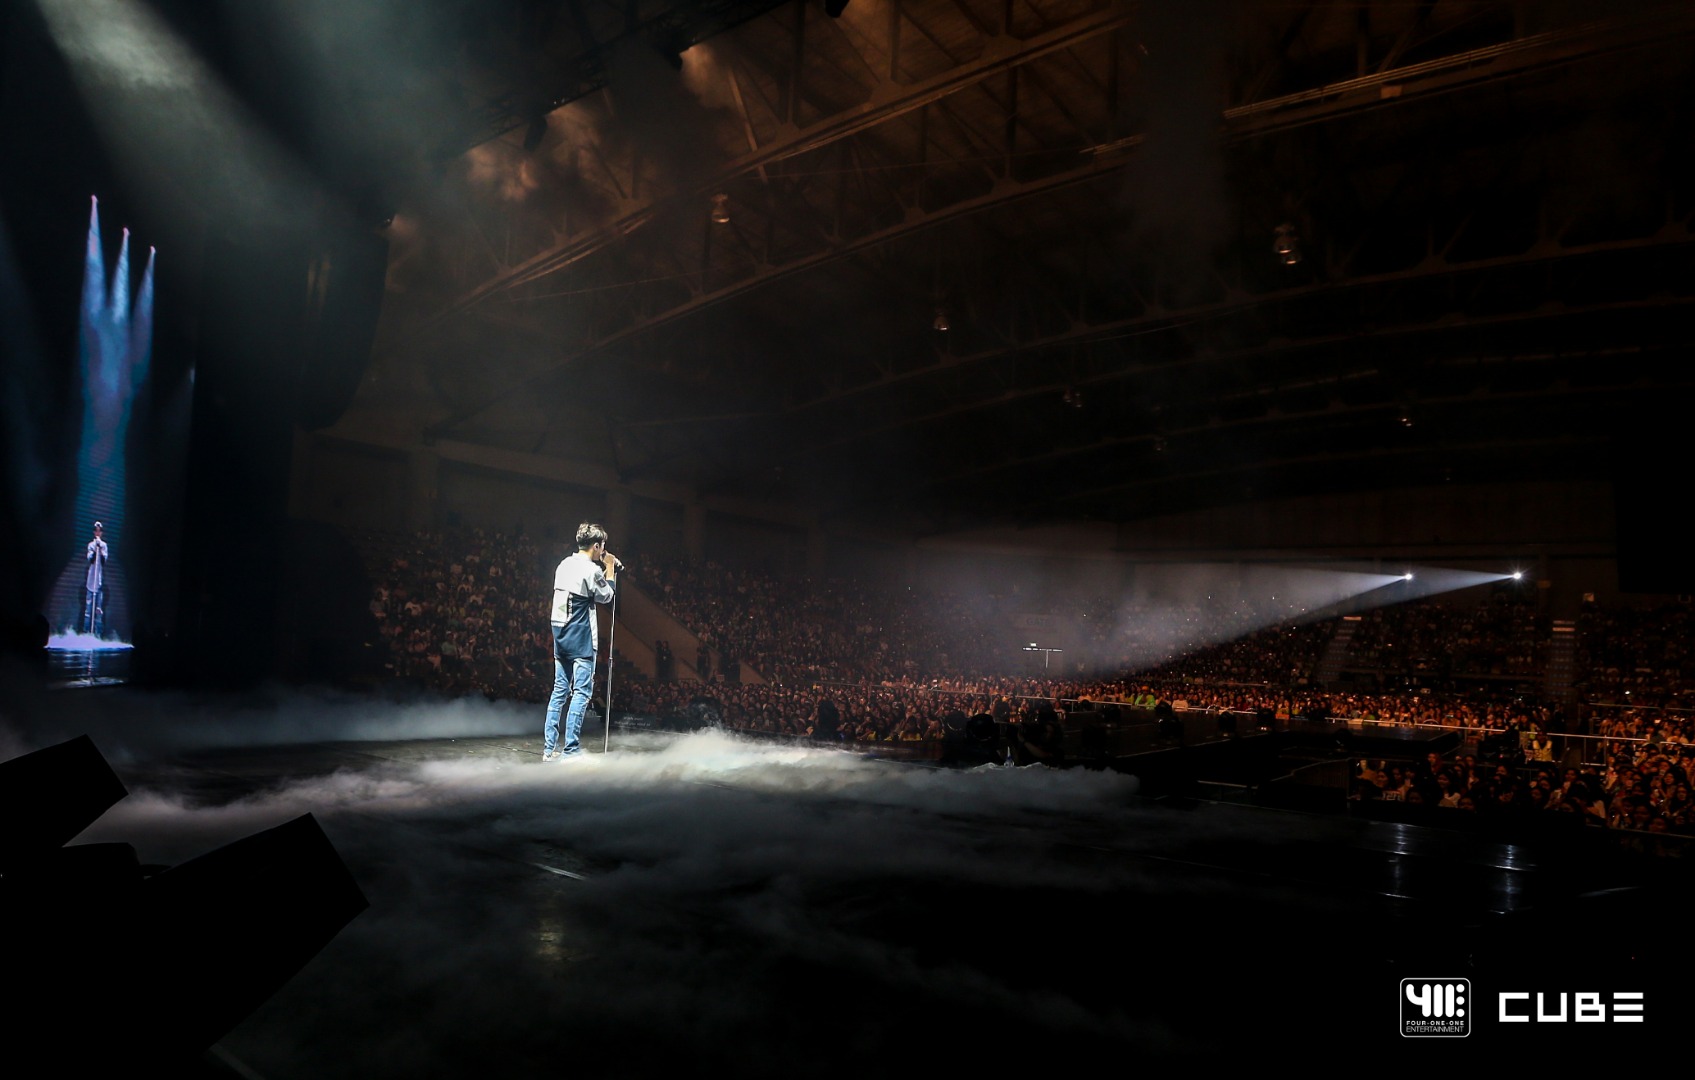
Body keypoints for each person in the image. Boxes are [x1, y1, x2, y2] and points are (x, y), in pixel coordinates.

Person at [543, 523, 619, 761]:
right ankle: (571, 750)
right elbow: (607, 596)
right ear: (597, 546)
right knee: (582, 693)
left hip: (560, 633)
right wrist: (610, 569)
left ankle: (549, 750)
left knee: (559, 691)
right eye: (602, 547)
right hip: (581, 636)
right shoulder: (591, 570)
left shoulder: (563, 564)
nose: (602, 550)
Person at [83, 521, 108, 636]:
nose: (98, 532)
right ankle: (86, 632)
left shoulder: (104, 545)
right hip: (90, 581)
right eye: (96, 530)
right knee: (88, 611)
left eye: (100, 530)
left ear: (101, 532)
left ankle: (97, 635)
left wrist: (101, 548)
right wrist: (94, 549)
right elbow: (91, 560)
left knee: (98, 610)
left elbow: (103, 561)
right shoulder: (90, 545)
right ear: (94, 532)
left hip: (99, 582)